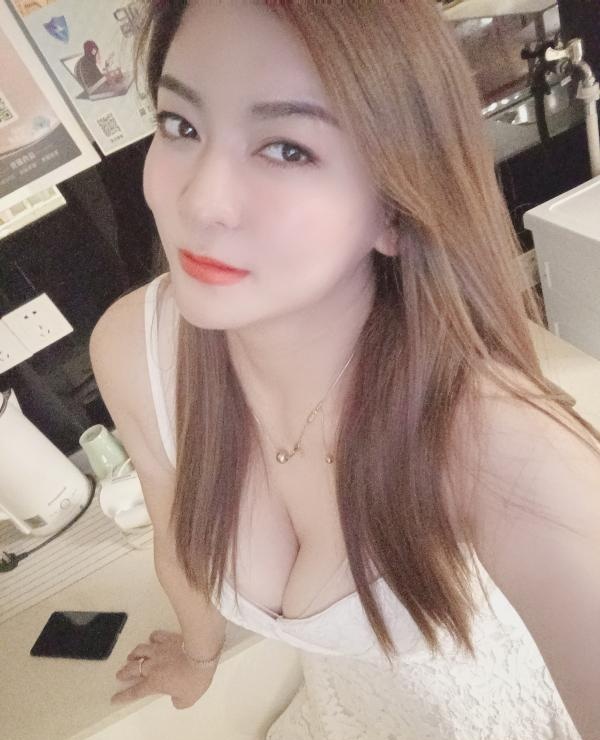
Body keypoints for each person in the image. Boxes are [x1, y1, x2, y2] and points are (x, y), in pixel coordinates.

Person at [89, 0, 600, 737]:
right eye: (182, 125)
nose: (200, 201)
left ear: (396, 208)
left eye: (287, 148)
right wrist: (199, 657)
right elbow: (177, 539)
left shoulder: (500, 443)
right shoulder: (137, 351)